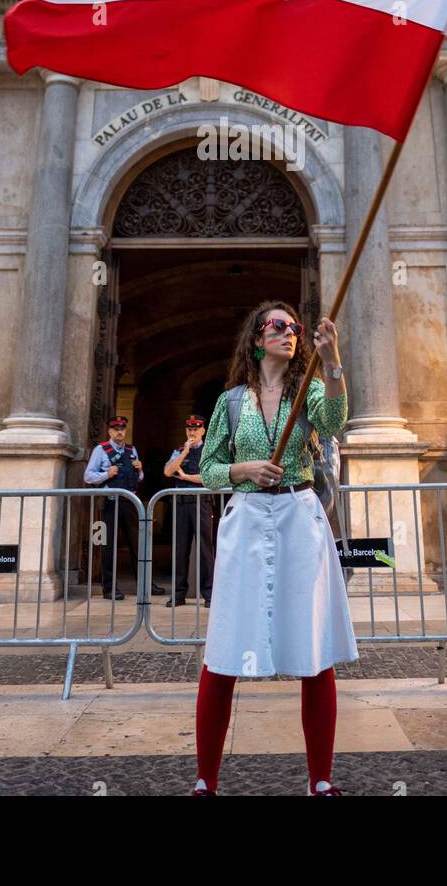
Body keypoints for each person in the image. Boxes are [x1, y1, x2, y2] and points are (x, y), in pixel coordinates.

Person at [191, 299, 357, 797]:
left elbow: (332, 423)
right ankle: (206, 781)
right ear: (257, 337)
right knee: (224, 647)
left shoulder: (304, 392)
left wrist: (331, 365)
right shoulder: (230, 402)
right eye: (279, 326)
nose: (290, 333)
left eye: (295, 328)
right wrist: (245, 470)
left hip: (298, 516)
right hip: (246, 520)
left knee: (313, 646)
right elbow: (211, 470)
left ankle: (321, 781)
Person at [84, 415, 166, 600]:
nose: (119, 431)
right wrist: (106, 474)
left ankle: (145, 585)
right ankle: (109, 588)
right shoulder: (100, 450)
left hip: (130, 503)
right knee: (108, 546)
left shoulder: (131, 450)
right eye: (115, 428)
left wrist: (140, 469)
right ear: (109, 431)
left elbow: (138, 478)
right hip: (109, 504)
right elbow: (88, 476)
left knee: (139, 545)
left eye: (122, 428)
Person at [163, 415, 215, 608]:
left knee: (205, 549)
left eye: (196, 428)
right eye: (189, 429)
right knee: (180, 549)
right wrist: (184, 452)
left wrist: (187, 477)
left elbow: (210, 477)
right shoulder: (178, 451)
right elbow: (168, 471)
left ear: (203, 430)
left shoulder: (209, 451)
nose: (192, 432)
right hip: (181, 504)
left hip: (202, 503)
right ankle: (178, 594)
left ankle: (209, 594)